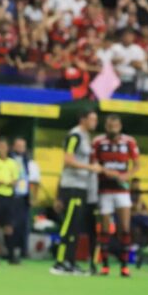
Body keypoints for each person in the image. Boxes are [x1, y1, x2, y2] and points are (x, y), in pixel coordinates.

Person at [51, 110, 104, 275]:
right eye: (92, 119)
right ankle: (60, 262)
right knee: (68, 225)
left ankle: (70, 262)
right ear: (83, 119)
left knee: (76, 227)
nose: (95, 122)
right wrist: (91, 168)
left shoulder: (86, 137)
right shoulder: (75, 136)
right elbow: (67, 160)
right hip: (72, 186)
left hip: (82, 187)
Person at [91, 114, 140, 277]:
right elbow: (93, 162)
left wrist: (127, 175)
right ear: (106, 127)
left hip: (122, 190)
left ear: (120, 126)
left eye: (115, 126)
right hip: (104, 190)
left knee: (125, 229)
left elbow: (137, 164)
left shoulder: (129, 141)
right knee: (105, 229)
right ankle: (105, 267)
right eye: (110, 126)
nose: (113, 129)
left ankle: (124, 267)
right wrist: (105, 171)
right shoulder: (98, 142)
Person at [10, 137, 40, 257]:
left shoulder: (30, 163)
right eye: (18, 146)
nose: (20, 149)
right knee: (11, 224)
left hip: (24, 198)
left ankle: (22, 250)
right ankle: (9, 249)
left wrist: (33, 198)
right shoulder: (9, 160)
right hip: (10, 196)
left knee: (23, 224)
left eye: (22, 146)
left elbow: (35, 182)